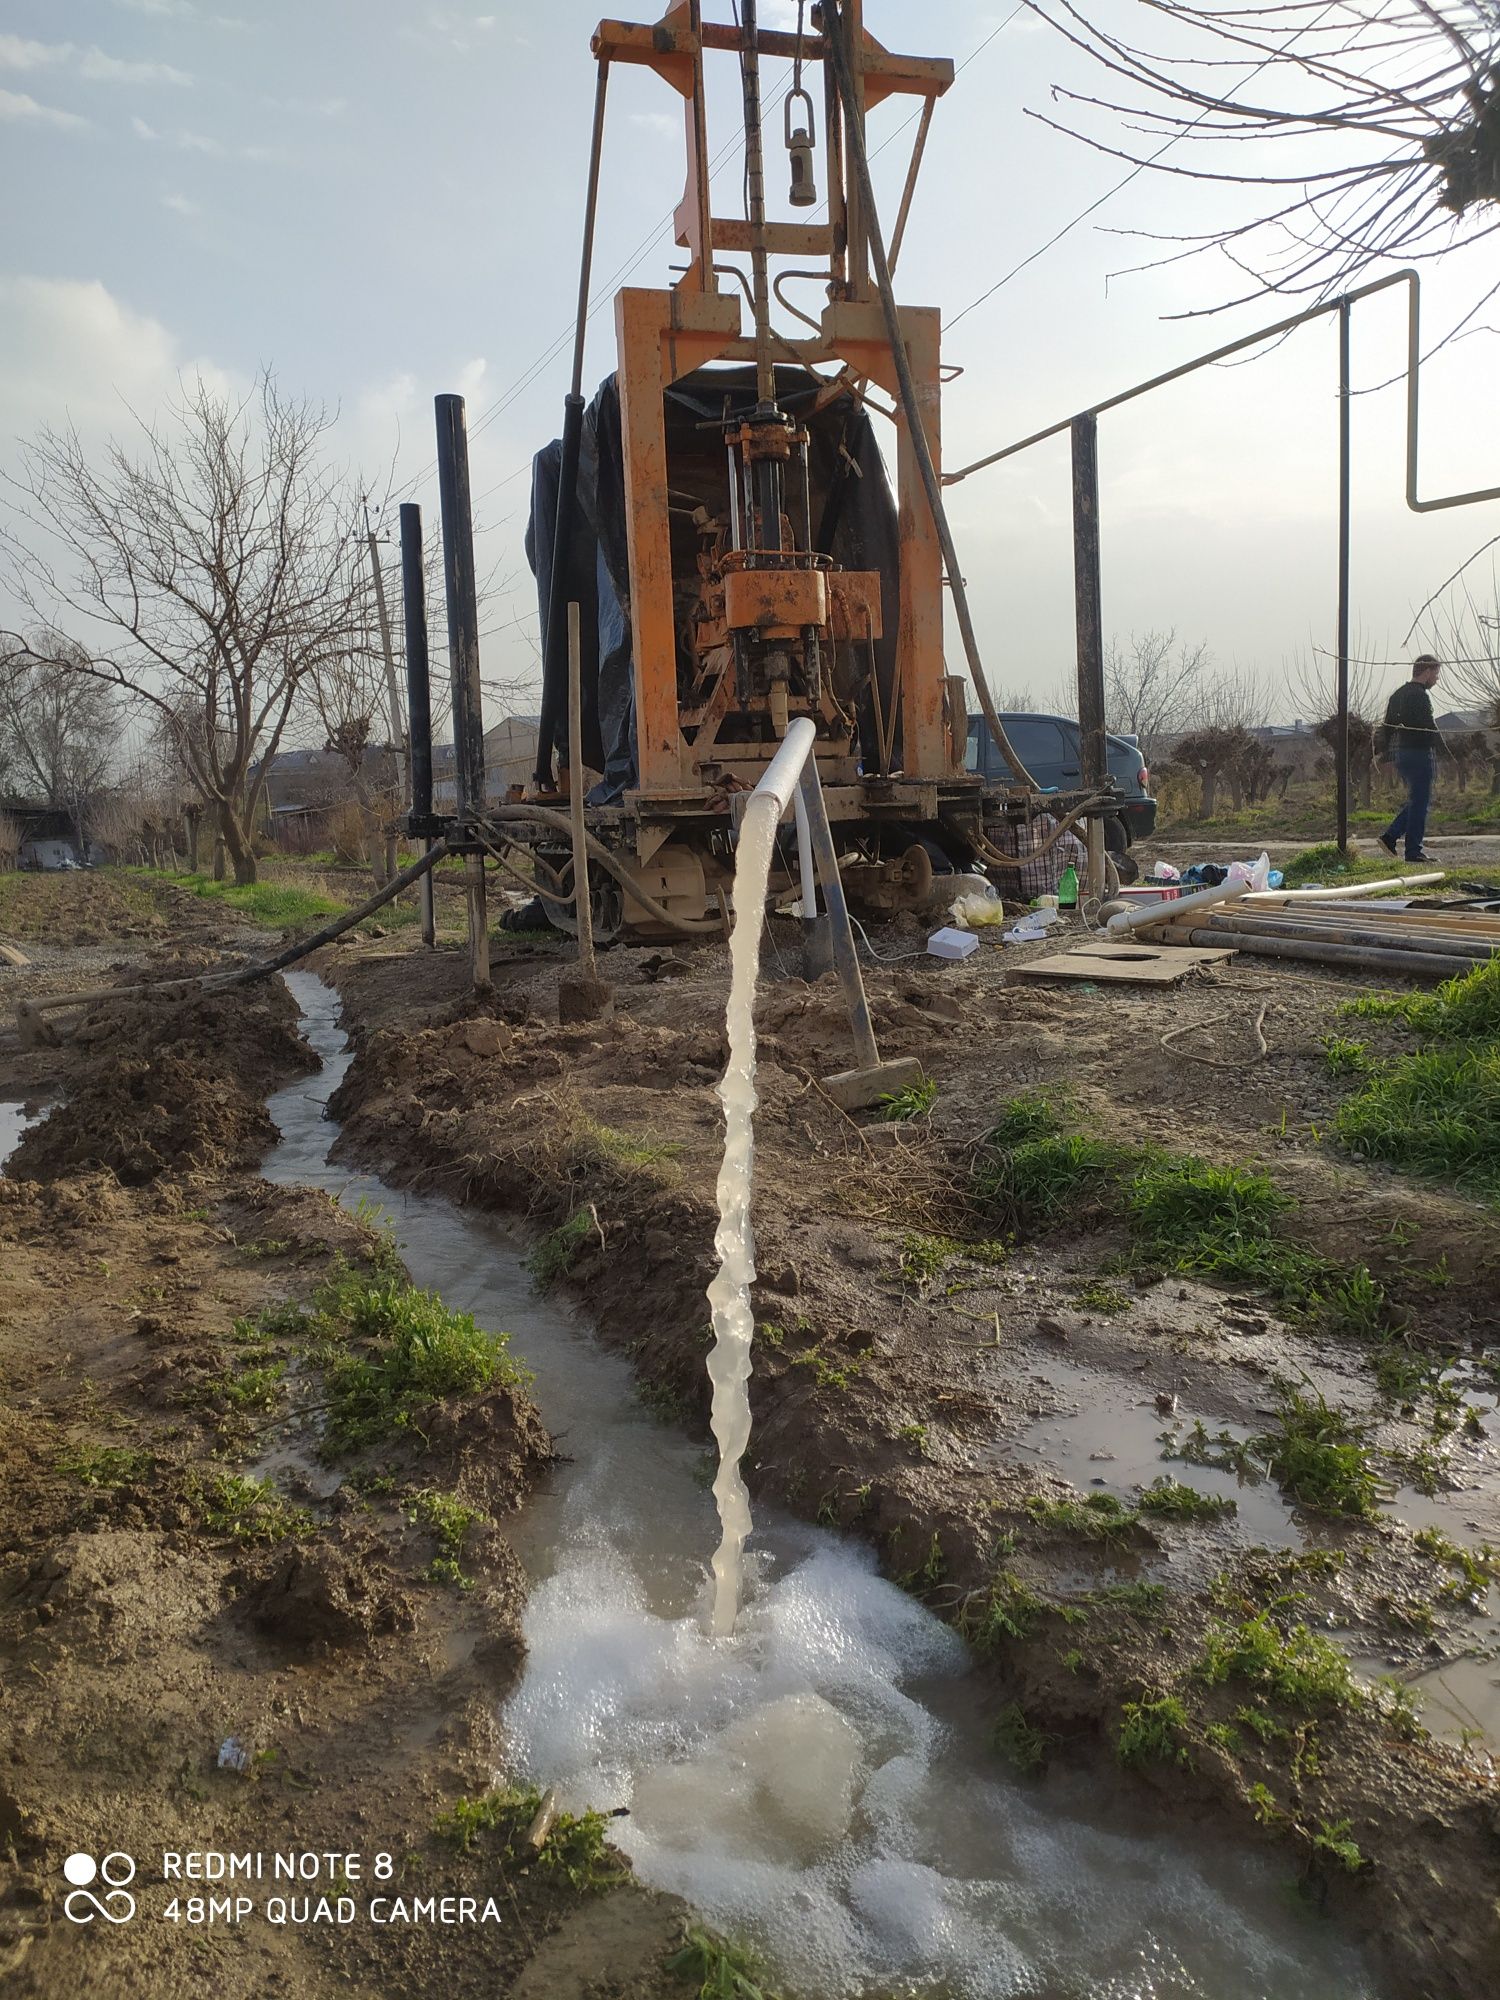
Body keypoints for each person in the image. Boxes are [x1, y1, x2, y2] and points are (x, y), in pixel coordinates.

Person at [1375, 654, 1442, 862]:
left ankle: (1391, 837)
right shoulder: (1420, 696)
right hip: (1419, 753)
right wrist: (1445, 749)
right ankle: (1411, 849)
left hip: (1402, 754)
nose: (1437, 680)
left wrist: (1385, 755)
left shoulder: (1398, 695)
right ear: (1428, 671)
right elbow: (1428, 726)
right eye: (1436, 674)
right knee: (1421, 801)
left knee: (1417, 800)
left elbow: (1387, 727)